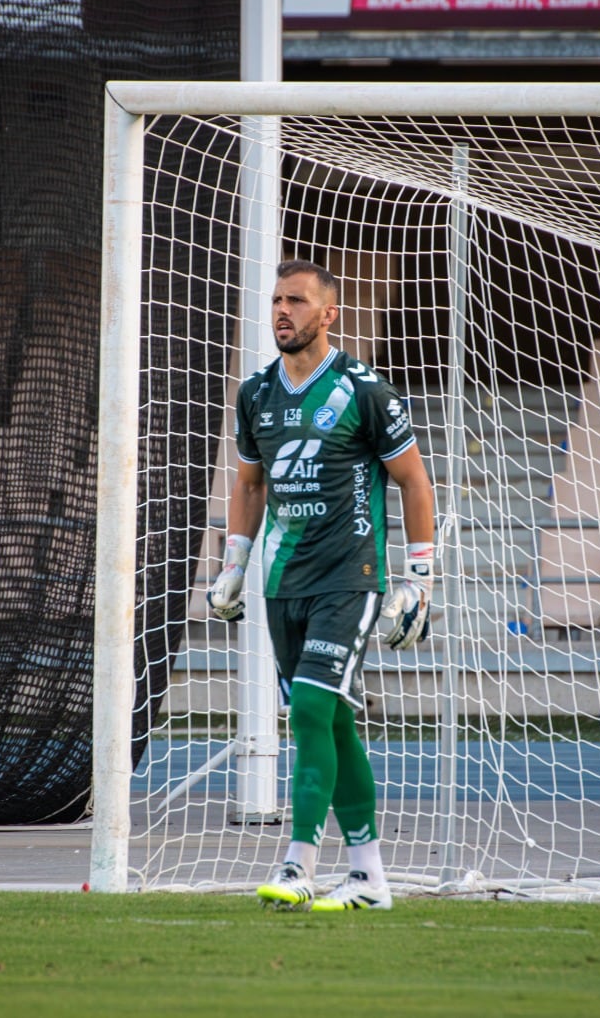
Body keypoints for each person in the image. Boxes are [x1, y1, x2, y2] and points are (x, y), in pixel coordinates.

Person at [207, 259, 435, 913]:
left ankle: (298, 864)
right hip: (283, 583)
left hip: (351, 576)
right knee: (331, 723)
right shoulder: (255, 395)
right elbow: (250, 486)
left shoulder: (367, 392)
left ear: (328, 314)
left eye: (298, 301)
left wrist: (419, 579)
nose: (284, 311)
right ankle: (369, 878)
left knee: (307, 710)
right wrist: (233, 565)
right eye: (277, 300)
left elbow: (414, 482)